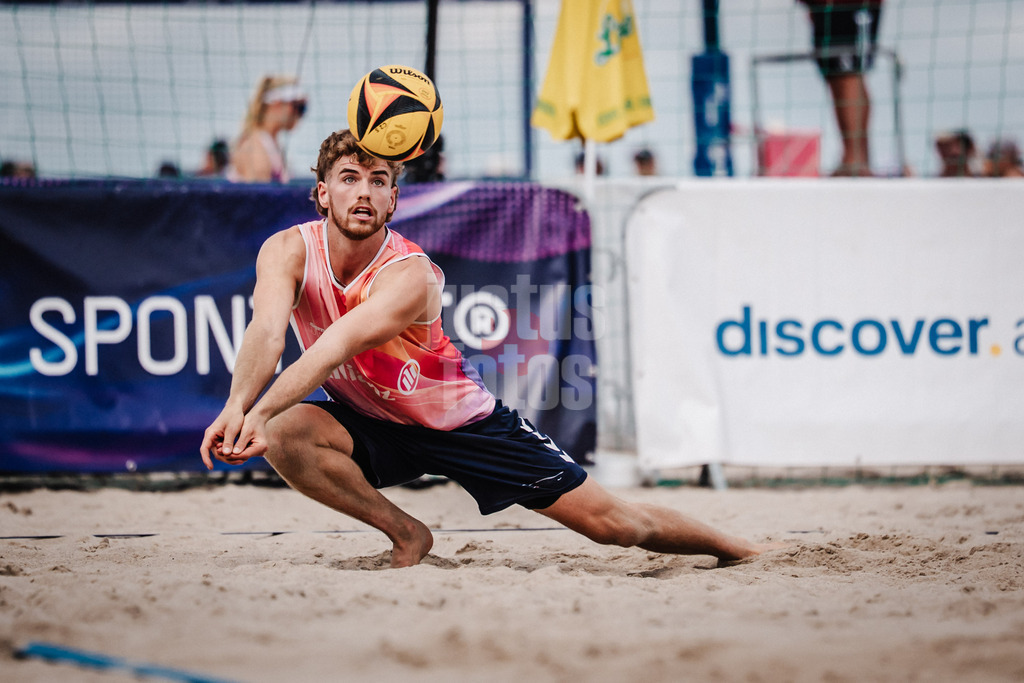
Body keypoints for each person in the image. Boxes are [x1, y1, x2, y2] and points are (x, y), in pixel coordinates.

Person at [200, 129, 784, 568]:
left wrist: (258, 410)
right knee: (282, 434)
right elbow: (267, 333)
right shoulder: (286, 251)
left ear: (394, 200)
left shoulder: (410, 275)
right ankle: (408, 535)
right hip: (372, 420)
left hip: (464, 425)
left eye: (380, 181)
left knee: (615, 526)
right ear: (321, 193)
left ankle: (742, 548)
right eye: (351, 177)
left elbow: (328, 350)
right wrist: (239, 410)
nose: (364, 192)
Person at [799, 0, 883, 177]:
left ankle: (855, 160)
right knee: (837, 74)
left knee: (848, 72)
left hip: (849, 5)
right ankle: (855, 159)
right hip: (825, 7)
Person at [227, 75, 307, 183]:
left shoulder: (270, 143)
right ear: (276, 103)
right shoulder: (255, 147)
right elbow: (257, 197)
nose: (299, 114)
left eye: (303, 108)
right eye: (296, 106)